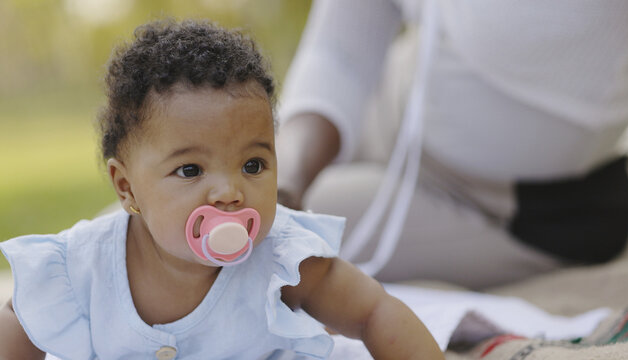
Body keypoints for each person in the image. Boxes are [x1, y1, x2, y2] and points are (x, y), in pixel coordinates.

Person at [0, 19, 444, 359]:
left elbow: (373, 312)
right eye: (191, 170)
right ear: (126, 187)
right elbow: (19, 326)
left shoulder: (283, 258)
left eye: (253, 164)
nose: (230, 192)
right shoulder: (82, 267)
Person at [276, 0, 628, 288]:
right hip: (385, 111)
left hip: (503, 209)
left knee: (281, 242)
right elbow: (342, 52)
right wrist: (282, 180)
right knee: (240, 194)